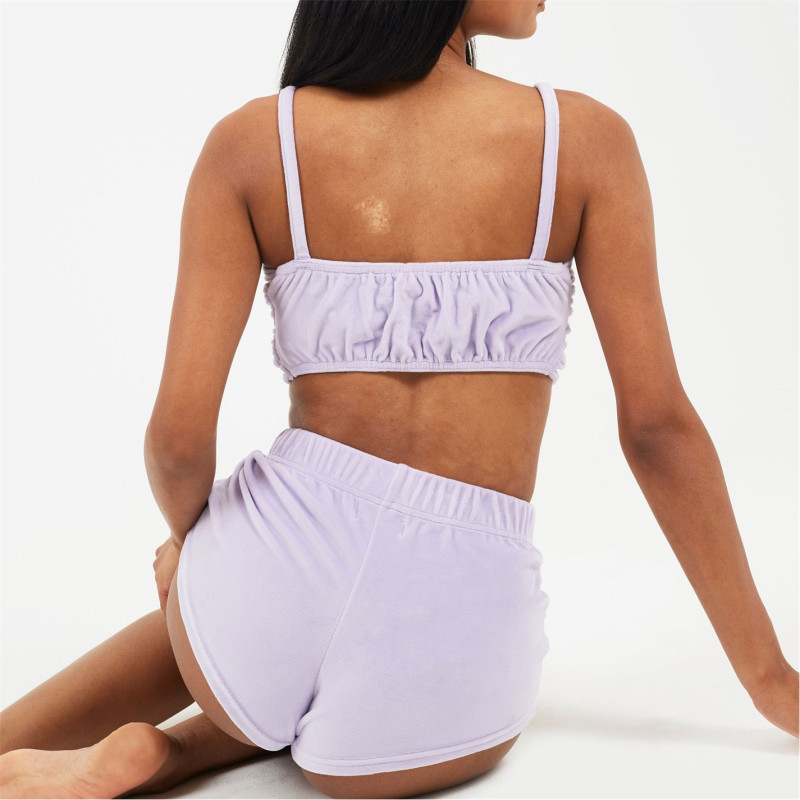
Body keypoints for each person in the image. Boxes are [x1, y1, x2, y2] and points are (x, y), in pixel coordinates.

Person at [1, 0, 797, 797]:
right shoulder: (582, 140)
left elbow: (176, 442)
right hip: (458, 613)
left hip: (266, 580)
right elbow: (658, 430)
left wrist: (195, 550)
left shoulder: (253, 142)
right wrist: (770, 679)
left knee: (237, 637)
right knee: (349, 724)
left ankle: (108, 744)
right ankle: (169, 756)